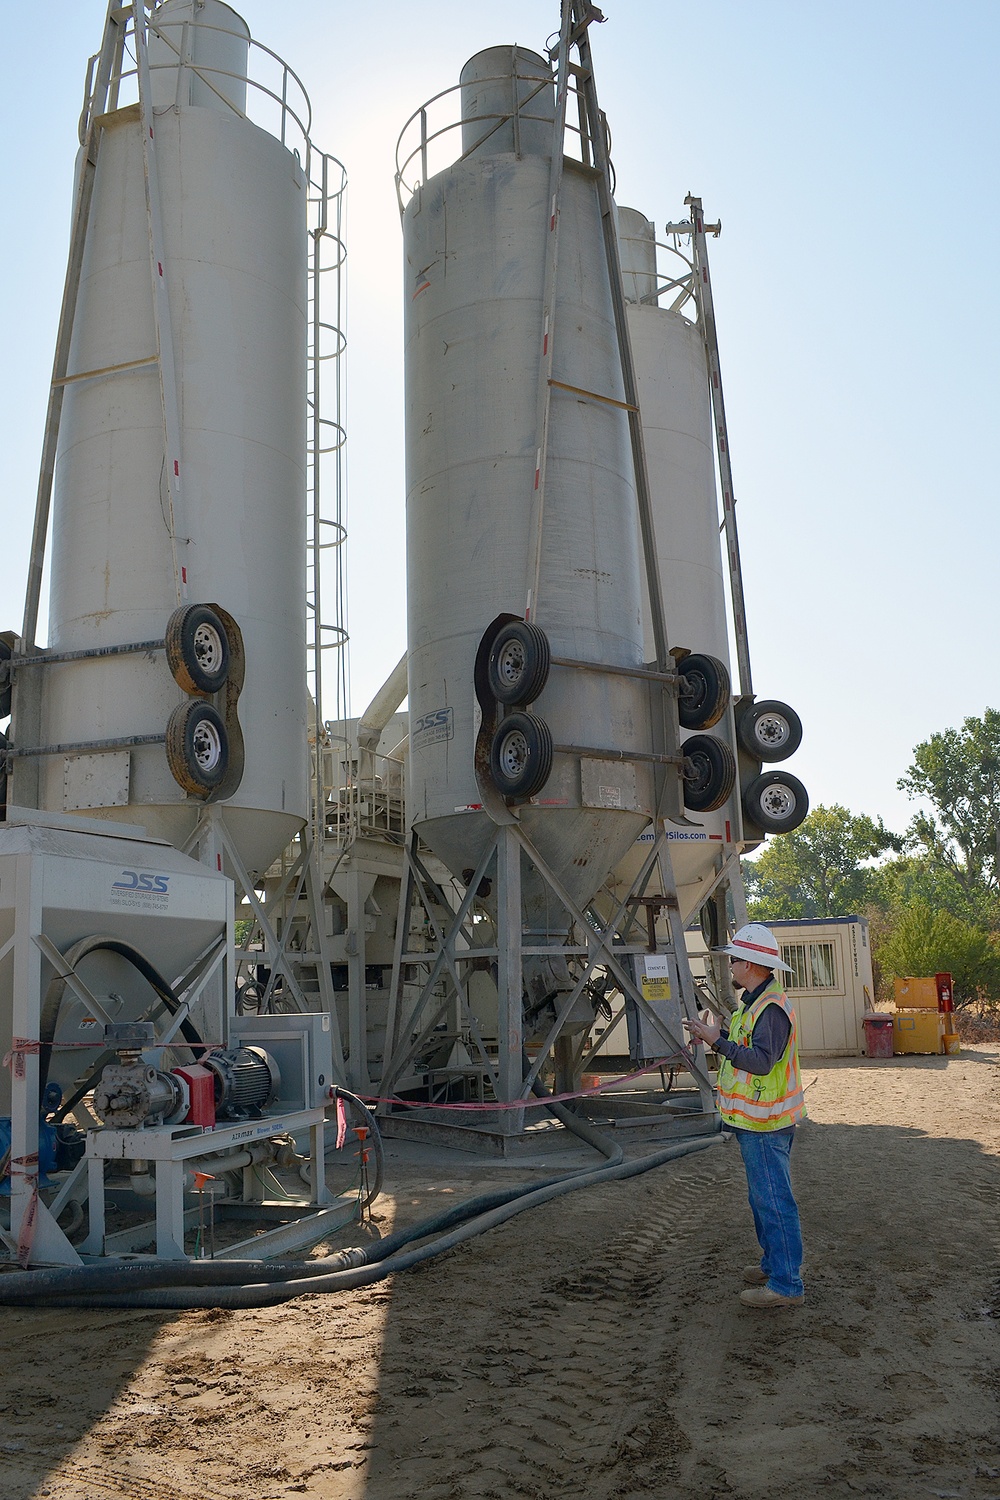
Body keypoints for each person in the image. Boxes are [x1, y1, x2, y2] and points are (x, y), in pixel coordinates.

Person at [683, 922, 806, 1309]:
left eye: (734, 959)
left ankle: (786, 1285)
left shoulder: (770, 1009)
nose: (730, 966)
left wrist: (715, 1040)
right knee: (763, 1199)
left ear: (751, 964)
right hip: (755, 1123)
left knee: (773, 1201)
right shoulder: (755, 1004)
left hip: (765, 1125)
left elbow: (761, 1061)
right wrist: (715, 1035)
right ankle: (774, 1265)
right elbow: (746, 1049)